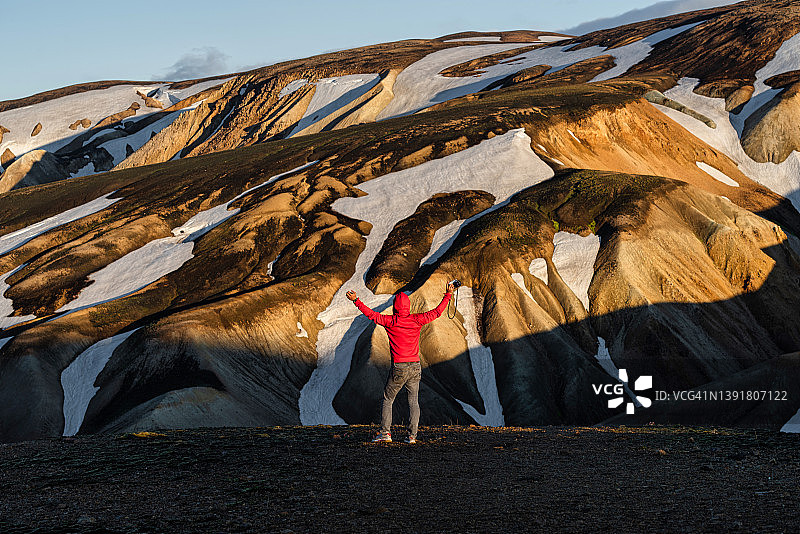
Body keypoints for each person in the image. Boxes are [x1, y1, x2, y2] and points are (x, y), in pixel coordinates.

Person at [346, 283, 455, 443]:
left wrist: (356, 300)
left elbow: (372, 315)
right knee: (413, 401)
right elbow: (437, 312)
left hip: (399, 366)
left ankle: (385, 434)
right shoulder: (417, 319)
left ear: (395, 307)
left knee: (388, 399)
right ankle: (412, 436)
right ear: (408, 306)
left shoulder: (390, 321)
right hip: (415, 366)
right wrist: (448, 294)